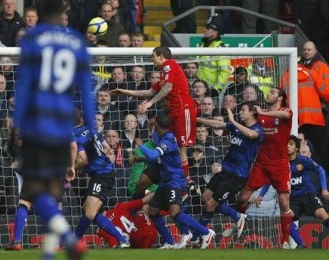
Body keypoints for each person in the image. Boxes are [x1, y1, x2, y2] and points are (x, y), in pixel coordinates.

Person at [12, 0, 94, 258]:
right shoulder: (77, 42)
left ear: (40, 13)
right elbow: (86, 91)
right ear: (63, 14)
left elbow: (24, 85)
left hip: (37, 124)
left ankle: (69, 238)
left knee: (36, 191)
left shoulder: (33, 37)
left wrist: (17, 124)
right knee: (54, 192)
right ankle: (48, 255)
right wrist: (91, 126)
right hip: (63, 126)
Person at [111, 46, 197, 180]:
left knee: (182, 149)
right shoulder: (163, 75)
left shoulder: (170, 64)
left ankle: (185, 183)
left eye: (153, 56)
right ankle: (165, 171)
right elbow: (149, 92)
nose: (152, 59)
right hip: (172, 111)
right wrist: (124, 91)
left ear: (161, 56)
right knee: (162, 140)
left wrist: (150, 103)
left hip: (183, 109)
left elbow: (168, 88)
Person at [134, 114, 215, 249]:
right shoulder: (162, 138)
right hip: (165, 181)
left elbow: (153, 155)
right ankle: (169, 242)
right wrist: (141, 159)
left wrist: (141, 146)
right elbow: (157, 159)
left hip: (174, 181)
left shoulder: (168, 141)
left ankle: (206, 232)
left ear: (157, 126)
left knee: (175, 213)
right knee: (153, 210)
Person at [193, 101, 263, 244]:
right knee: (205, 198)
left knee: (210, 204)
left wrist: (232, 121)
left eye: (243, 110)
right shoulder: (237, 128)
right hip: (225, 172)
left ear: (251, 112)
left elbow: (251, 135)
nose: (240, 112)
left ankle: (196, 236)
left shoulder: (257, 129)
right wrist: (198, 119)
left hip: (237, 176)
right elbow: (218, 125)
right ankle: (237, 216)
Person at [236, 87, 293, 248]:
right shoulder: (260, 114)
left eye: (272, 93)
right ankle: (238, 222)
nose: (268, 94)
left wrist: (263, 112)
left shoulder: (285, 111)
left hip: (280, 165)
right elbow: (248, 120)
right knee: (242, 198)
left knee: (283, 201)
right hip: (261, 164)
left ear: (280, 98)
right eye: (268, 93)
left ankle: (285, 241)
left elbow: (285, 115)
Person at [282, 41, 329, 181]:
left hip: (298, 118)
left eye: (309, 49)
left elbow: (283, 92)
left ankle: (298, 174)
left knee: (296, 147)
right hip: (315, 116)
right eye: (305, 49)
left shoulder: (290, 72)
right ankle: (325, 174)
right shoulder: (312, 71)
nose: (306, 51)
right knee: (321, 147)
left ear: (314, 52)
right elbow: (325, 90)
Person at [73, 113, 129, 248]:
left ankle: (122, 240)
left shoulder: (74, 135)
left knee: (90, 212)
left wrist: (71, 168)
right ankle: (73, 241)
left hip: (102, 175)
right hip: (103, 173)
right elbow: (108, 148)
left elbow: (83, 159)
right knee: (88, 210)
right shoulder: (91, 129)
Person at [286, 135, 329, 247]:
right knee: (286, 219)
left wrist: (324, 188)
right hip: (294, 198)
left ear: (296, 148)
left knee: (322, 214)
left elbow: (320, 169)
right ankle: (301, 245)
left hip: (308, 194)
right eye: (286, 144)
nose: (287, 146)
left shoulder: (303, 160)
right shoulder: (281, 163)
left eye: (291, 144)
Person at [196, 14, 231, 96]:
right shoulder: (202, 44)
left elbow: (225, 71)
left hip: (211, 90)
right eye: (205, 27)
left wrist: (217, 89)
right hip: (198, 88)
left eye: (208, 28)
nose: (205, 30)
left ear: (216, 32)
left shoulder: (220, 47)